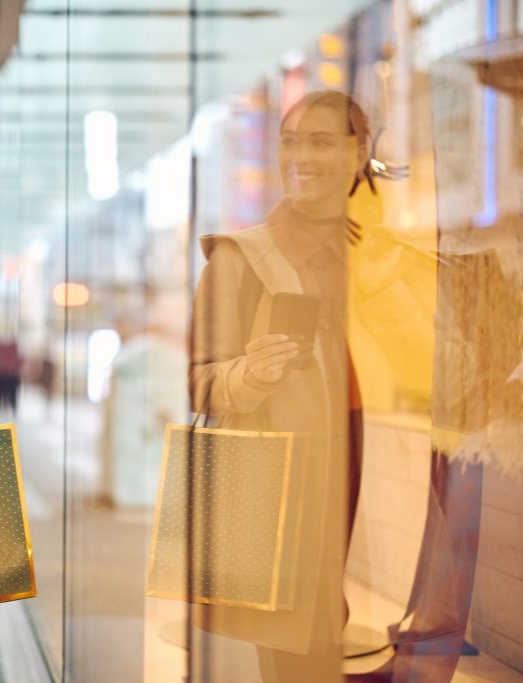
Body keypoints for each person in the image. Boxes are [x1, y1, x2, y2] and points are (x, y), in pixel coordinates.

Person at [189, 90, 370, 682]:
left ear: (358, 153)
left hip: (365, 450)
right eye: (291, 143)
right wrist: (251, 375)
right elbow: (201, 384)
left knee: (340, 636)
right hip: (287, 470)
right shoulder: (242, 259)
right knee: (299, 650)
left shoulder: (374, 254)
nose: (302, 158)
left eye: (321, 142)